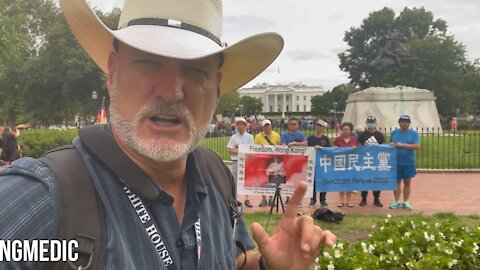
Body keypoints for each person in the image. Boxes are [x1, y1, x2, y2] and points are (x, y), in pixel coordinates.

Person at [0, 0, 335, 269]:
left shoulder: (215, 176)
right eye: (148, 63)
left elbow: (229, 260)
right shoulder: (43, 199)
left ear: (216, 89)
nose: (172, 92)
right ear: (113, 73)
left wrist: (268, 265)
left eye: (194, 70)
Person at [389, 114, 420, 211]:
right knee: (396, 182)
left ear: (409, 123)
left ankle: (406, 201)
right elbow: (390, 144)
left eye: (406, 122)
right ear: (399, 123)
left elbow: (416, 146)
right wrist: (392, 144)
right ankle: (397, 201)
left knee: (407, 182)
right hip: (396, 161)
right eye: (402, 121)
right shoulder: (394, 133)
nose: (404, 123)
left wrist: (402, 145)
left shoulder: (414, 134)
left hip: (408, 162)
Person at [357, 116, 385, 207]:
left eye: (372, 122)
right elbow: (359, 146)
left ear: (375, 123)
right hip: (365, 160)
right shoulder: (362, 135)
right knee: (365, 180)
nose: (371, 124)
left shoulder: (379, 135)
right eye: (369, 122)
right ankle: (363, 198)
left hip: (376, 160)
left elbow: (383, 147)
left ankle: (376, 198)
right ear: (366, 123)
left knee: (376, 180)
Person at [227, 117, 254, 208]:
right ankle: (235, 199)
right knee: (235, 180)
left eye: (241, 124)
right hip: (236, 161)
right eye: (238, 125)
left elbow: (251, 149)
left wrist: (239, 148)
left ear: (245, 126)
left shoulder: (250, 137)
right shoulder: (233, 137)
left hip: (246, 161)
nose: (239, 126)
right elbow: (230, 150)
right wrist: (240, 150)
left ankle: (247, 199)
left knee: (247, 180)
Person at [281, 117, 308, 205]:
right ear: (288, 125)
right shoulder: (285, 135)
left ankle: (297, 200)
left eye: (294, 124)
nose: (293, 126)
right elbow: (283, 145)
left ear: (298, 125)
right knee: (288, 181)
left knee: (297, 181)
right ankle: (288, 199)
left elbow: (305, 144)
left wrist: (295, 144)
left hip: (298, 162)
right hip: (288, 162)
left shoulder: (300, 135)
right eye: (291, 124)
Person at [254, 119, 281, 207]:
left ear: (271, 126)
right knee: (263, 180)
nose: (267, 128)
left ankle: (271, 198)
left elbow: (280, 148)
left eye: (268, 125)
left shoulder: (276, 136)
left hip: (273, 161)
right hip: (262, 161)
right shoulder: (258, 136)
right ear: (262, 127)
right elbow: (255, 148)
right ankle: (264, 198)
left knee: (272, 179)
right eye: (265, 126)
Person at [333, 122, 358, 208]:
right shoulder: (338, 139)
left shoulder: (355, 140)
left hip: (351, 164)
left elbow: (360, 151)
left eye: (347, 129)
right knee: (341, 182)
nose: (345, 131)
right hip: (340, 164)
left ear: (351, 130)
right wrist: (335, 148)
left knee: (350, 182)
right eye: (343, 129)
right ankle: (341, 200)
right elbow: (332, 149)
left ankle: (349, 201)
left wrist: (356, 149)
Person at [307, 120, 331, 208]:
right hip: (312, 163)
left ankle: (323, 200)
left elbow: (329, 150)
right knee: (312, 182)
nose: (319, 128)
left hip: (322, 163)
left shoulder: (325, 139)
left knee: (323, 181)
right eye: (317, 126)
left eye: (321, 126)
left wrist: (321, 148)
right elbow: (307, 149)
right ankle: (312, 200)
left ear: (323, 128)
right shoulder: (310, 138)